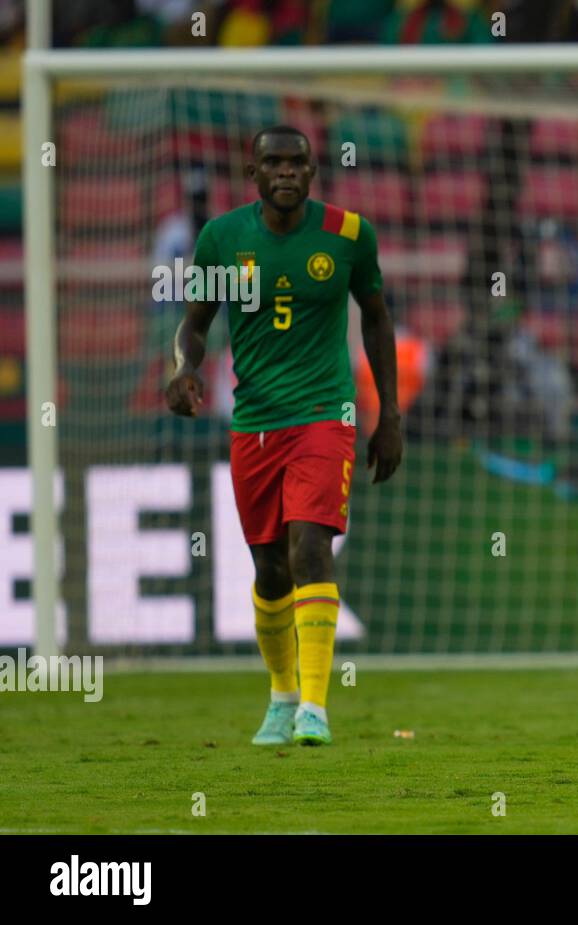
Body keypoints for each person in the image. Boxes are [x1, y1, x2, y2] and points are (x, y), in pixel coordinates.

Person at [165, 126, 403, 747]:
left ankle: (316, 709)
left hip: (326, 415)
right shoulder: (221, 239)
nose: (286, 172)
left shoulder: (349, 235)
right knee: (269, 568)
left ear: (314, 169)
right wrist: (184, 368)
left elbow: (376, 319)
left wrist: (391, 416)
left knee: (308, 550)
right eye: (273, 162)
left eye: (297, 162)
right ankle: (281, 696)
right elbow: (195, 325)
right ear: (253, 173)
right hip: (254, 424)